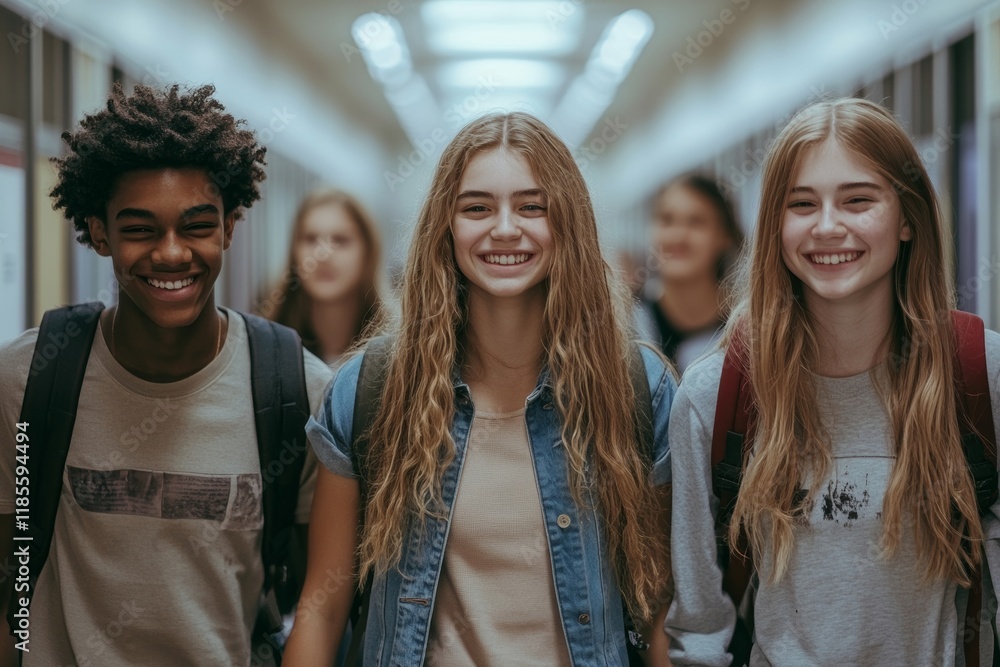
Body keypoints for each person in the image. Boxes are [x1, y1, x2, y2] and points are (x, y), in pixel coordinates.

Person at [284, 112, 676, 666]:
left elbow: (660, 606)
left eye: (532, 206)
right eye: (477, 208)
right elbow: (322, 609)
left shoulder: (637, 389)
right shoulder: (373, 389)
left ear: (568, 222)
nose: (505, 228)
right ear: (447, 224)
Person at [0, 83, 333, 666]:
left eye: (197, 226)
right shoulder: (30, 381)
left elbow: (316, 597)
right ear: (99, 234)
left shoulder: (295, 391)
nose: (172, 254)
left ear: (229, 228)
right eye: (139, 229)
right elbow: (8, 583)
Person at [666, 97, 1000, 665]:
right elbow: (701, 628)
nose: (827, 226)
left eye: (858, 200)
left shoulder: (978, 374)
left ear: (908, 220)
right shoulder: (716, 394)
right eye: (801, 204)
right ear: (775, 224)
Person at [636, 174, 743, 373]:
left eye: (696, 222)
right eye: (667, 220)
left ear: (724, 236)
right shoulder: (626, 326)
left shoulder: (748, 333)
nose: (678, 235)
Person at [266, 189, 384, 366]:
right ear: (293, 251)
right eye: (310, 239)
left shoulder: (398, 345)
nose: (322, 255)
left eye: (340, 240)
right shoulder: (265, 343)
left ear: (367, 252)